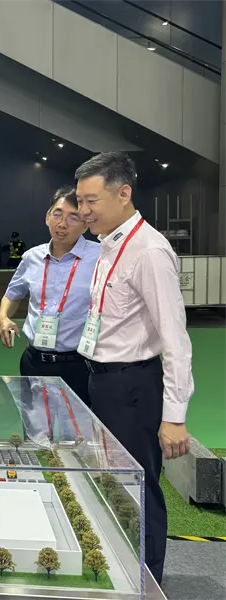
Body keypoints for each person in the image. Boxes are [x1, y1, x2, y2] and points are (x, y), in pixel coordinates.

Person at [75, 151, 192, 585]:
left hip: (134, 385)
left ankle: (147, 583)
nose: (83, 211)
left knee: (140, 490)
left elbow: (175, 339)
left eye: (91, 201)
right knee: (110, 484)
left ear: (124, 194)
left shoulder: (149, 251)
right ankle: (118, 575)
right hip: (102, 381)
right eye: (79, 201)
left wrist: (174, 416)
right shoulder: (108, 245)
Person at [0, 187, 100, 406]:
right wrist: (3, 317)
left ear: (85, 225)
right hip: (34, 362)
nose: (62, 224)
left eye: (73, 218)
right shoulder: (31, 257)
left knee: (78, 425)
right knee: (34, 424)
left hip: (79, 365)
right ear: (47, 217)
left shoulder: (100, 257)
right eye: (57, 214)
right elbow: (13, 293)